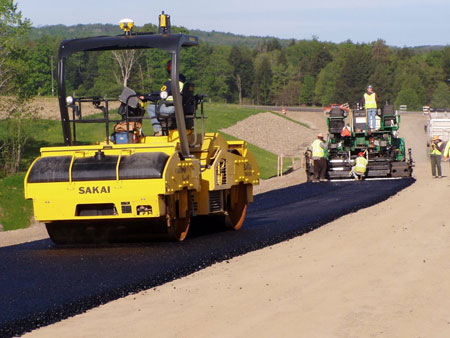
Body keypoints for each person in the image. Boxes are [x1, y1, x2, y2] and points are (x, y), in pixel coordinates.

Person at [139, 60, 186, 136]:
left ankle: (158, 130)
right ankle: (167, 126)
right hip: (178, 107)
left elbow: (159, 95)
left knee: (151, 107)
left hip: (170, 107)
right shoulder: (182, 83)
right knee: (158, 106)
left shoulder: (170, 83)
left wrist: (145, 97)